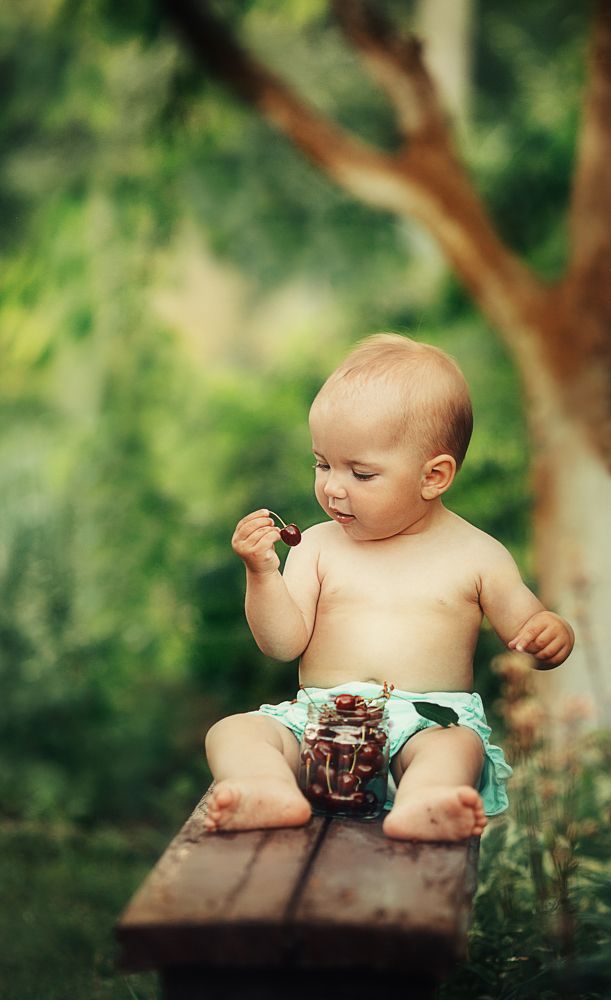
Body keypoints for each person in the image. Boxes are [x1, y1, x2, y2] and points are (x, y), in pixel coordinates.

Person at [204, 334, 574, 840]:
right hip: (317, 725)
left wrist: (550, 635)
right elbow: (282, 643)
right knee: (233, 732)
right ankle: (266, 788)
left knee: (456, 747)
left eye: (360, 472)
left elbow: (529, 627)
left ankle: (427, 801)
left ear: (434, 476)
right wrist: (262, 574)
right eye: (322, 464)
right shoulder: (316, 546)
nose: (333, 487)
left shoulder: (477, 555)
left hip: (424, 726)